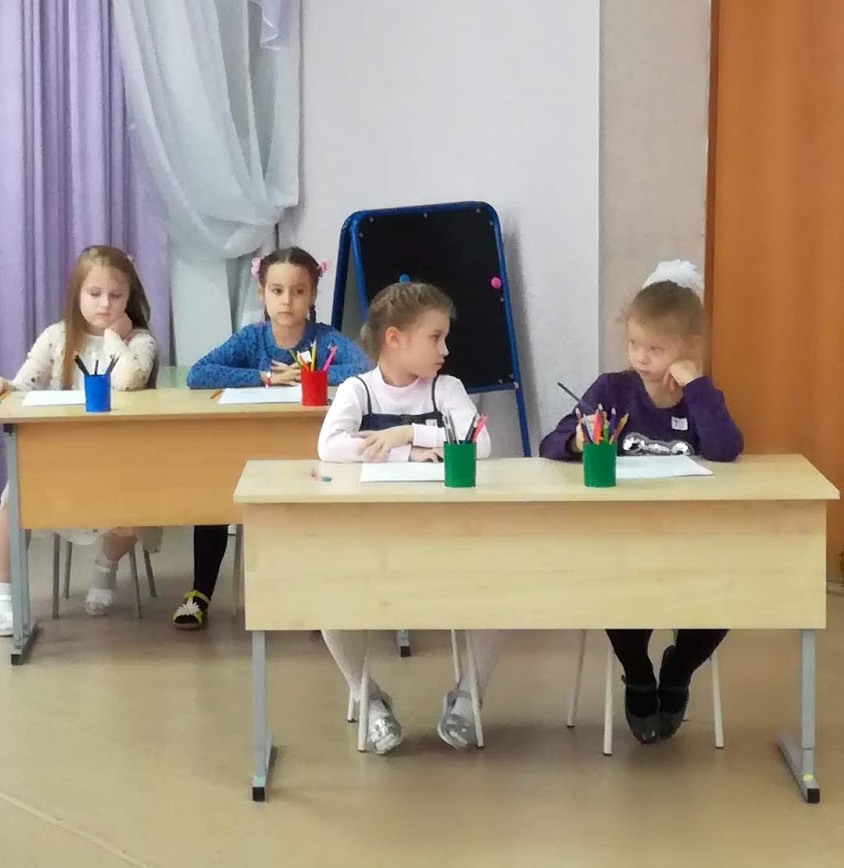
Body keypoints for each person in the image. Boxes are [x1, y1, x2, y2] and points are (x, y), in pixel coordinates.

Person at [539, 260, 743, 743]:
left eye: (656, 348)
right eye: (634, 344)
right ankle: (638, 674)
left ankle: (678, 671)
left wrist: (697, 387)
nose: (641, 357)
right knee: (618, 591)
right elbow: (551, 443)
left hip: (691, 539)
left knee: (732, 593)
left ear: (688, 348)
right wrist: (578, 442)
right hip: (624, 540)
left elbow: (725, 448)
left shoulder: (700, 396)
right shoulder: (613, 389)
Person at [317, 279, 499, 754]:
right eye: (435, 337)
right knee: (325, 600)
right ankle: (368, 696)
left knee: (504, 592)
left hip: (446, 538)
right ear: (395, 339)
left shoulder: (447, 388)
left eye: (445, 337)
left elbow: (479, 442)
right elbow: (329, 447)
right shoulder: (358, 390)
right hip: (374, 540)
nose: (445, 349)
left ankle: (468, 695)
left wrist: (406, 434)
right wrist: (407, 455)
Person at [174, 246, 369, 631]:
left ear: (312, 295)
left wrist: (308, 374)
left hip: (306, 456)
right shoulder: (252, 339)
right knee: (213, 495)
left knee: (320, 503)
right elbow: (199, 373)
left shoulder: (325, 339)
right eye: (277, 291)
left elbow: (364, 368)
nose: (287, 301)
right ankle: (200, 593)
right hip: (246, 454)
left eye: (298, 291)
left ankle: (319, 593)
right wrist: (265, 377)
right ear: (262, 293)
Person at [0, 246, 158, 635]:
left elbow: (128, 380)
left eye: (116, 295)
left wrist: (114, 337)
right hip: (61, 460)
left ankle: (105, 568)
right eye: (95, 294)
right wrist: (2, 383)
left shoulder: (138, 342)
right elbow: (24, 385)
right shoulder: (57, 337)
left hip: (115, 459)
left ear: (129, 298)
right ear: (77, 294)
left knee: (138, 501)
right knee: (13, 497)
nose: (105, 304)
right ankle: (5, 595)